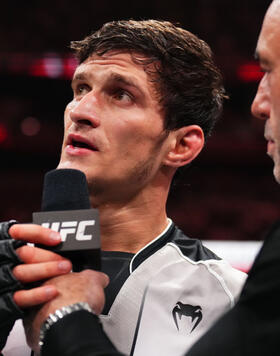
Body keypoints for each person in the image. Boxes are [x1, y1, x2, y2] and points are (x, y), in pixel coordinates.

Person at [28, 2, 280, 355]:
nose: (80, 112)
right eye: (81, 88)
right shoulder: (11, 270)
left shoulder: (232, 300)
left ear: (180, 145)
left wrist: (65, 317)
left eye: (121, 95)